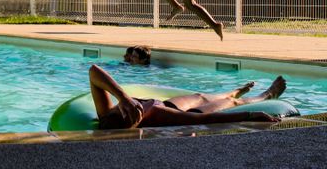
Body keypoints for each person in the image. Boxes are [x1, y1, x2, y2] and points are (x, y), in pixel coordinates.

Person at [89, 64, 285, 129]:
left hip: (166, 103)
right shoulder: (156, 115)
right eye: (137, 114)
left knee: (200, 95)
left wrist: (122, 97)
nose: (137, 109)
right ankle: (267, 95)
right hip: (178, 114)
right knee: (230, 103)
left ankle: (233, 90)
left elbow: (93, 71)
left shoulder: (106, 113)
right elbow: (206, 119)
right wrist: (250, 115)